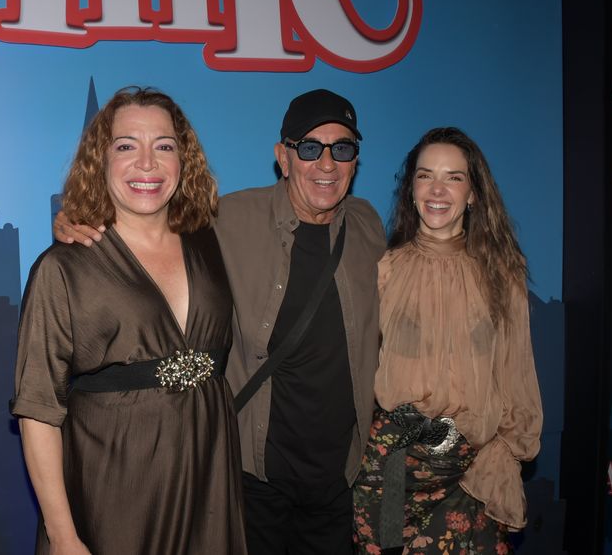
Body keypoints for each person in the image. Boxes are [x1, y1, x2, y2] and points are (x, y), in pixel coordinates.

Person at [57, 89, 385, 554]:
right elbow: (146, 219)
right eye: (310, 148)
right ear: (283, 157)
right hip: (251, 478)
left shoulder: (369, 225)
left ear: (355, 161)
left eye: (343, 149)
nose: (327, 164)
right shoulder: (226, 218)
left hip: (337, 480)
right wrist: (77, 219)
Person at [12, 87, 246, 554]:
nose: (147, 163)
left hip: (210, 479)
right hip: (115, 487)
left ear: (184, 160)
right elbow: (38, 410)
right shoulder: (64, 268)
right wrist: (63, 536)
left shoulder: (212, 241)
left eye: (164, 146)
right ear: (100, 161)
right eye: (126, 146)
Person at [352, 127, 542, 553]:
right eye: (425, 175)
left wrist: (507, 452)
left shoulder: (502, 275)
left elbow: (517, 374)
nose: (437, 190)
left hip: (472, 474)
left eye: (454, 177)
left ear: (473, 193)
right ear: (411, 189)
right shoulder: (384, 271)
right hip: (392, 472)